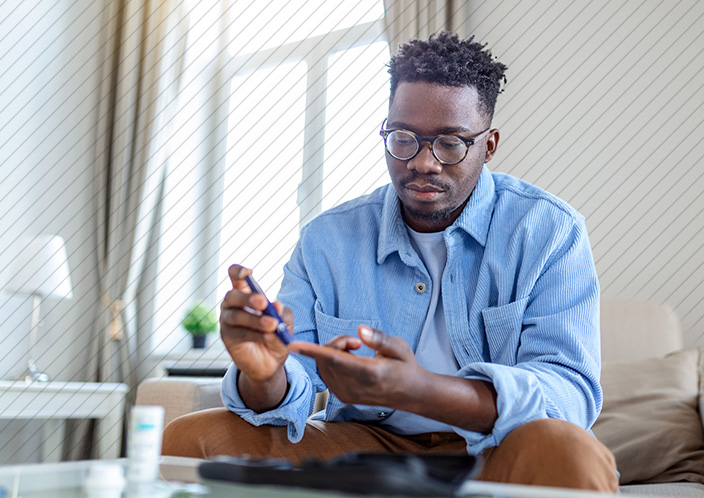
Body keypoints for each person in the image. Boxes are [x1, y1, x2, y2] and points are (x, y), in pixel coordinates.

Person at [163, 31, 618, 492]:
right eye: (404, 138)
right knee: (190, 438)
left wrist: (421, 390)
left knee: (570, 452)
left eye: (451, 143)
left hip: (491, 450)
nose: (423, 162)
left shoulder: (549, 231)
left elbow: (568, 394)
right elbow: (290, 382)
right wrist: (265, 376)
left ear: (490, 144)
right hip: (363, 447)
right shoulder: (328, 239)